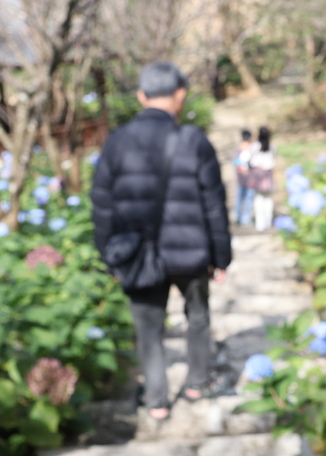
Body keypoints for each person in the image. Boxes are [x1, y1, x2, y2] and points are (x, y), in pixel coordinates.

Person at [91, 61, 232, 421]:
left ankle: (155, 401)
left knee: (148, 328)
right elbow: (214, 204)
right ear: (180, 95)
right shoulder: (194, 141)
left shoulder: (116, 142)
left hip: (139, 255)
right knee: (197, 317)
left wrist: (111, 260)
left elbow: (102, 207)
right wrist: (221, 257)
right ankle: (197, 383)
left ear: (140, 96)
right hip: (192, 254)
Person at [242, 126, 276, 231]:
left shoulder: (254, 146)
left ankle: (260, 223)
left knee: (258, 199)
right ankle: (267, 221)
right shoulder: (272, 146)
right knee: (268, 199)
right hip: (268, 174)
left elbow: (245, 158)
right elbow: (274, 161)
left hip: (257, 175)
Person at [233, 130, 255, 225]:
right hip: (249, 178)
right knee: (248, 199)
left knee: (239, 198)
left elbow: (235, 163)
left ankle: (238, 217)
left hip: (241, 178)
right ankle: (244, 218)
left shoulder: (239, 150)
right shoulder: (251, 149)